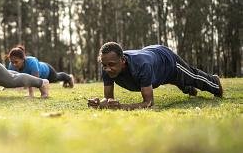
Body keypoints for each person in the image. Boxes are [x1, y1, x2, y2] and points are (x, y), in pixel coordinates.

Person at [88, 42, 223, 110]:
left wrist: (122, 107)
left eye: (111, 64)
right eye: (104, 65)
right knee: (178, 82)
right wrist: (100, 103)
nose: (107, 69)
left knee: (192, 76)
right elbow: (109, 99)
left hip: (167, 61)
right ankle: (188, 88)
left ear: (122, 60)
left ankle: (215, 82)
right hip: (156, 70)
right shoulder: (107, 69)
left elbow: (149, 103)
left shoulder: (142, 66)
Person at [6, 45, 74, 97]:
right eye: (12, 62)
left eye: (16, 62)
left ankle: (69, 77)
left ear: (23, 59)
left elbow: (35, 80)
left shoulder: (32, 62)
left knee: (57, 77)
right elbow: (11, 78)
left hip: (47, 71)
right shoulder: (11, 65)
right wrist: (5, 86)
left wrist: (30, 93)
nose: (14, 64)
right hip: (41, 75)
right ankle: (66, 80)